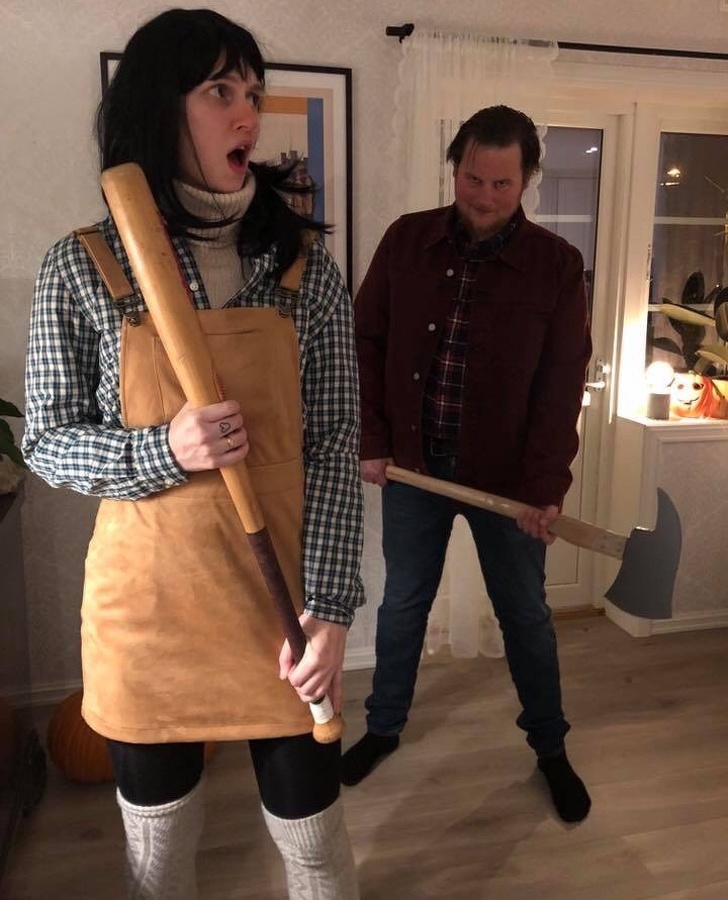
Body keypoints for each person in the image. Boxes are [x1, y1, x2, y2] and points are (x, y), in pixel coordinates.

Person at [23, 9, 363, 898]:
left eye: (253, 91)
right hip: (149, 615)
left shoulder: (304, 272)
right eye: (220, 90)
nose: (248, 111)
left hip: (282, 614)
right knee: (160, 853)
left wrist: (330, 610)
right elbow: (46, 441)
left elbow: (334, 446)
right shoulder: (83, 267)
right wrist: (163, 448)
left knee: (315, 843)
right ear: (158, 108)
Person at [342, 105, 593, 824]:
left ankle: (550, 748)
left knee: (526, 615)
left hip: (508, 483)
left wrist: (545, 487)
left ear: (527, 179)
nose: (484, 196)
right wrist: (372, 438)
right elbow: (366, 341)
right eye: (472, 178)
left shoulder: (556, 265)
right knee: (402, 604)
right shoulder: (407, 239)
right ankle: (384, 728)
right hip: (416, 468)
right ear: (456, 168)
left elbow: (561, 386)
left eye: (501, 183)